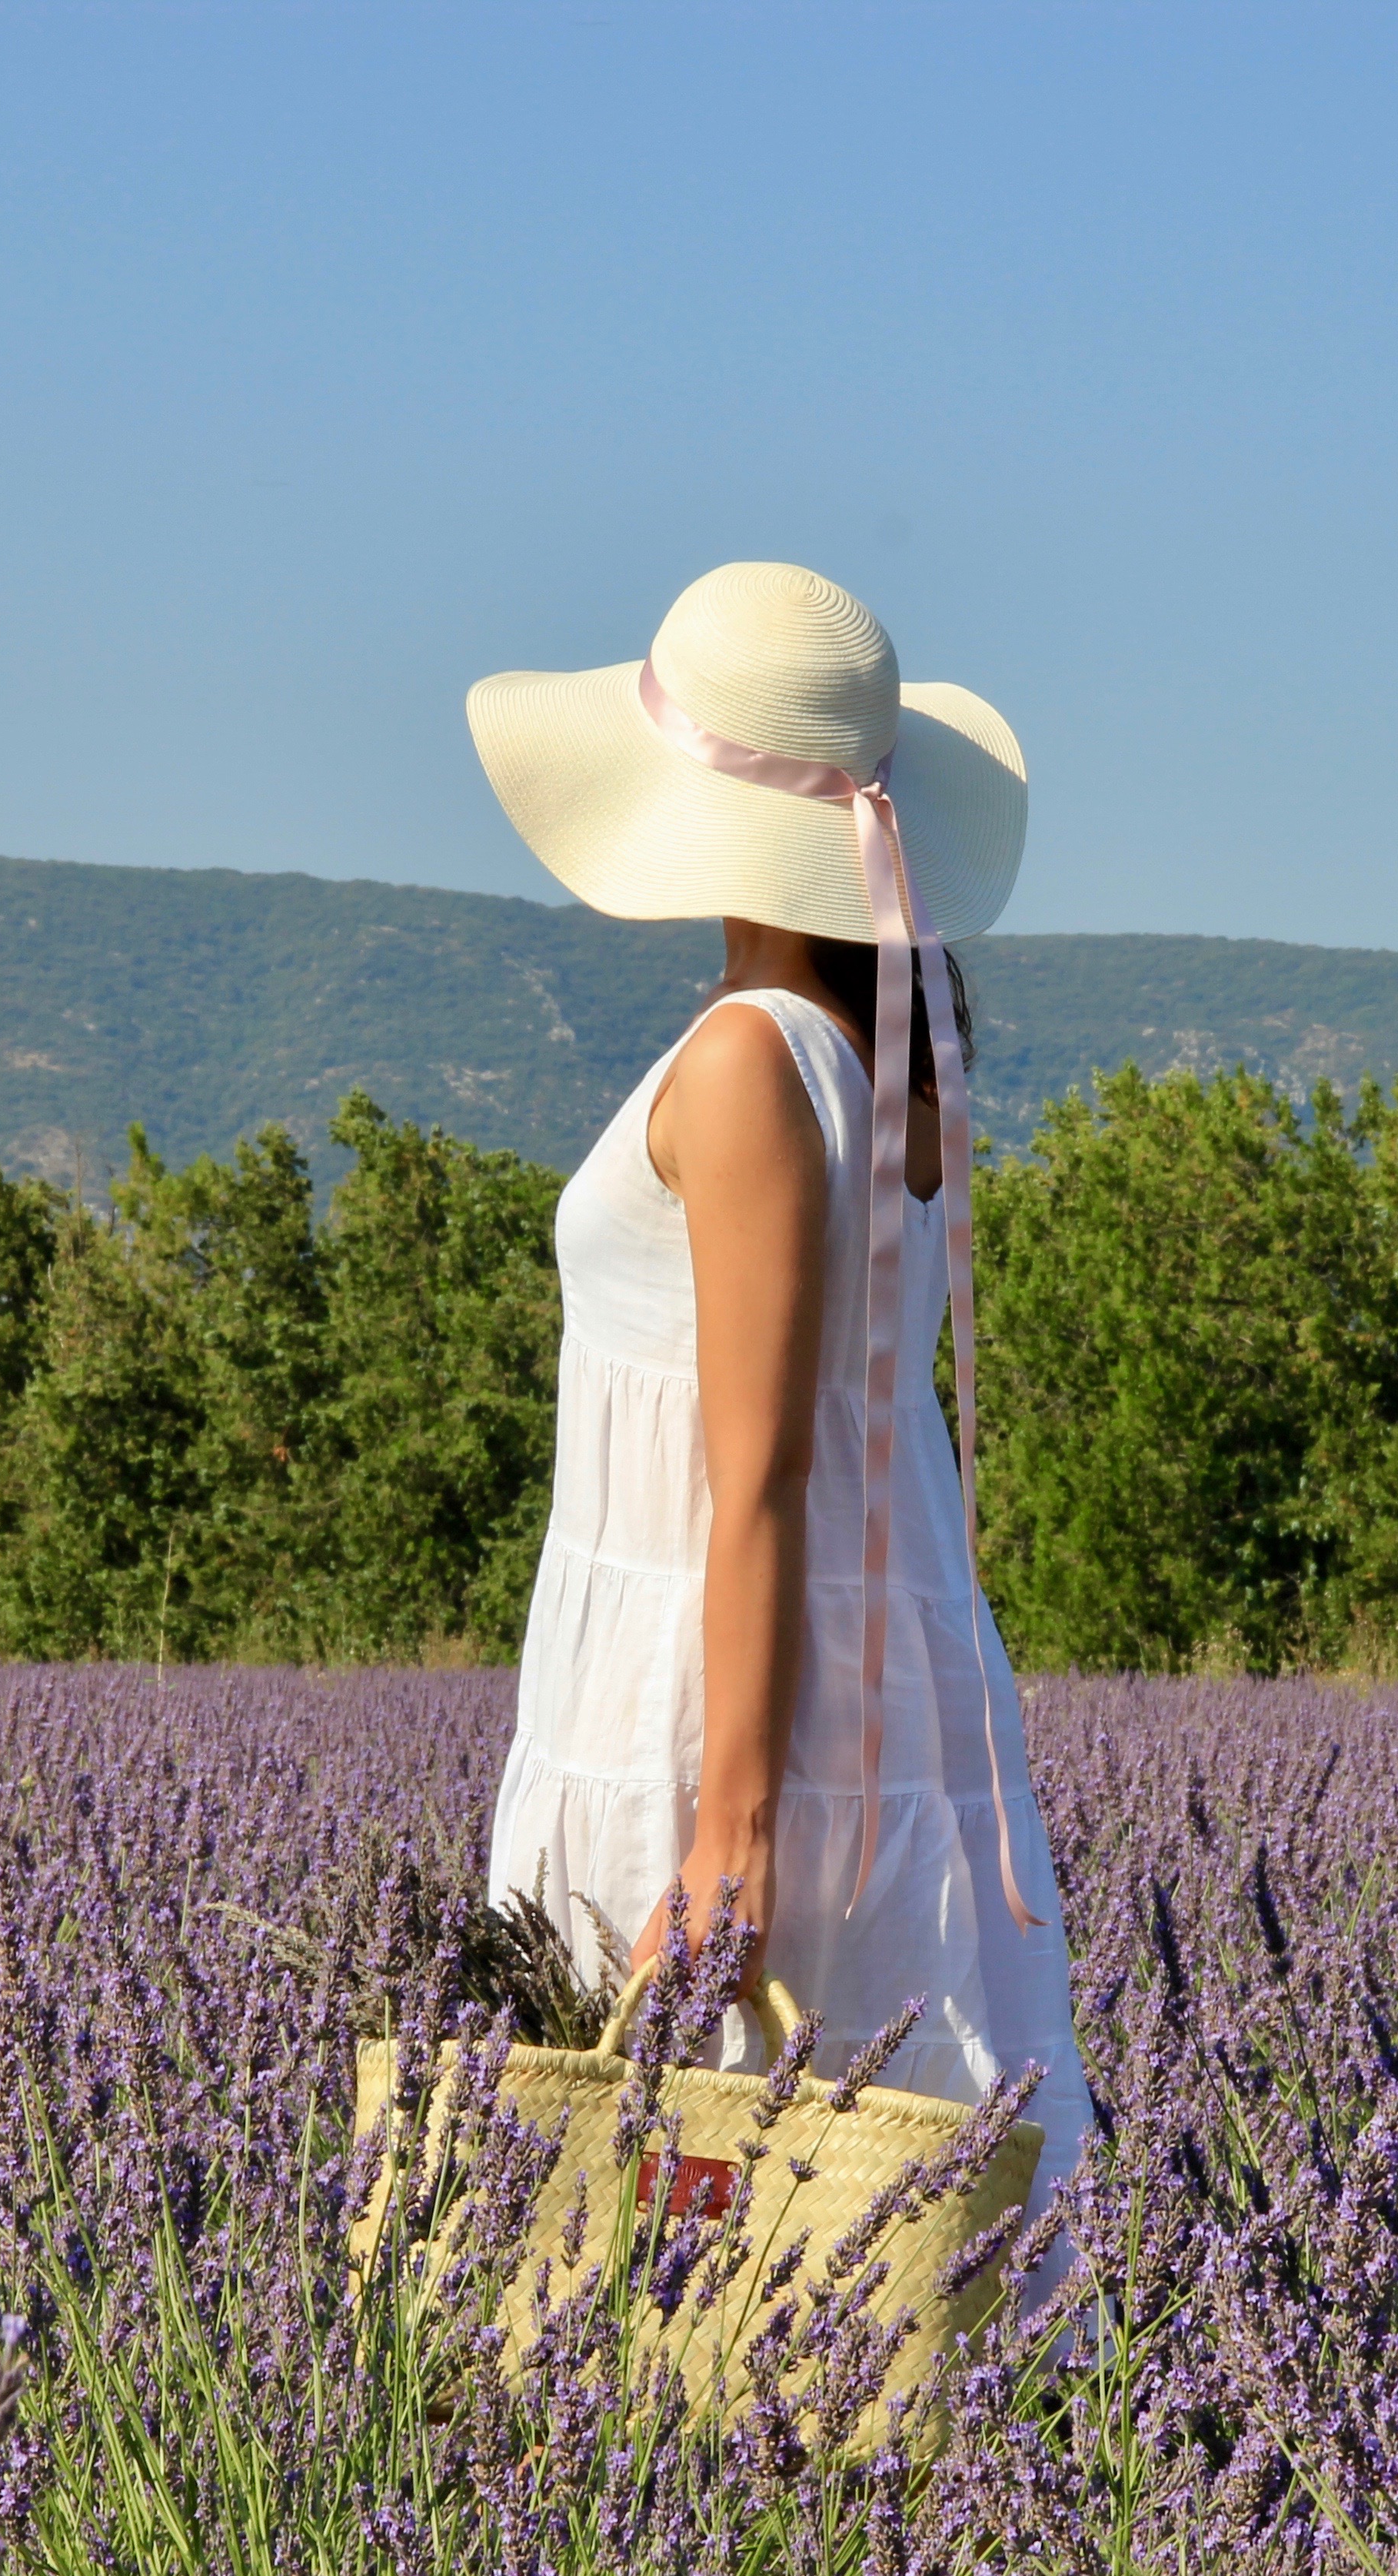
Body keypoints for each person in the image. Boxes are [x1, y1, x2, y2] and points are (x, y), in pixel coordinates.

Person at [464, 559, 1093, 2228]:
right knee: (857, 2221)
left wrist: (725, 1841)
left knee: (642, 2221)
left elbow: (760, 1475)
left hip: (707, 1711)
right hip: (854, 1687)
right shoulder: (887, 1065)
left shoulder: (749, 1058)